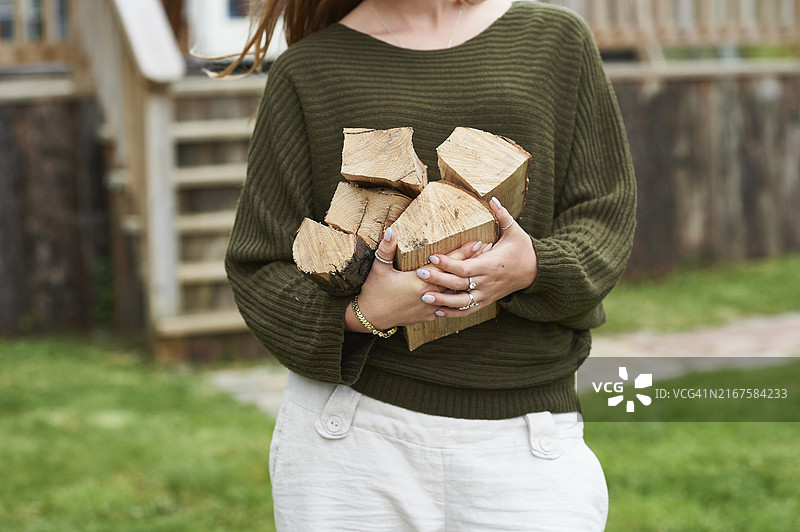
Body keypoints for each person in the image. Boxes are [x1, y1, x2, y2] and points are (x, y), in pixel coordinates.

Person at [224, 0, 636, 530]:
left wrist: (531, 266)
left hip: (526, 441)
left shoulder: (555, 40)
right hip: (350, 440)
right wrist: (364, 311)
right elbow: (258, 264)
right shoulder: (308, 70)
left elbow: (605, 212)